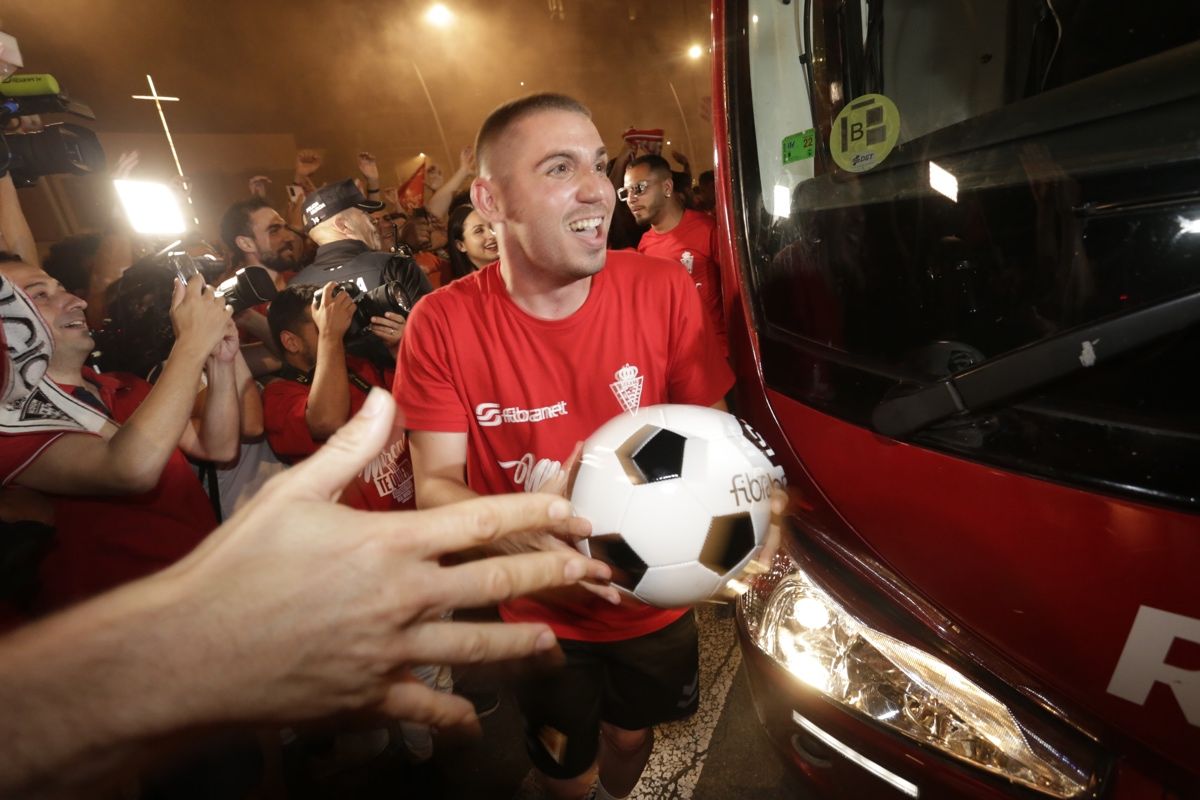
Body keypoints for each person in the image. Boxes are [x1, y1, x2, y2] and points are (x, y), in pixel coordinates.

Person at [395, 93, 735, 800]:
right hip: (539, 614)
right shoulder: (442, 323)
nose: (597, 190)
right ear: (489, 198)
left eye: (599, 165)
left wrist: (741, 507)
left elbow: (712, 429)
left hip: (655, 603)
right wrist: (521, 538)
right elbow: (435, 486)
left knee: (629, 738)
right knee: (563, 771)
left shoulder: (663, 287)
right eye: (559, 167)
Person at [0, 253, 240, 612]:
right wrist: (189, 343)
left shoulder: (127, 387)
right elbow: (130, 468)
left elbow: (216, 446)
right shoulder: (10, 429)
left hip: (212, 590)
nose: (77, 301)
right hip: (135, 632)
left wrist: (218, 361)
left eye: (62, 288)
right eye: (40, 296)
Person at [263, 283, 414, 510]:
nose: (337, 327)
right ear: (291, 342)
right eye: (320, 323)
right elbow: (327, 421)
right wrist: (330, 336)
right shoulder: (278, 397)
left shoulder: (355, 365)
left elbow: (415, 409)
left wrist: (400, 349)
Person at [624, 153, 728, 357]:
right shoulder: (645, 245)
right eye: (626, 192)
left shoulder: (707, 230)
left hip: (715, 356)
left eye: (639, 188)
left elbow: (735, 293)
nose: (631, 199)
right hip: (674, 358)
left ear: (667, 188)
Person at [446, 203, 498, 280]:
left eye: (492, 227)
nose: (492, 235)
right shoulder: (463, 289)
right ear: (461, 245)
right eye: (479, 231)